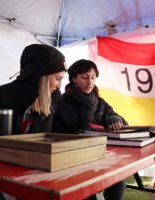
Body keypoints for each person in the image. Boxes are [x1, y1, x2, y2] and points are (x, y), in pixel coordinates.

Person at [0, 44, 66, 200]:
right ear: (41, 75)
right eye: (58, 79)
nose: (59, 85)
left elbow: (45, 141)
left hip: (34, 174)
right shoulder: (0, 97)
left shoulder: (52, 99)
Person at [52, 59, 127, 200]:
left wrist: (115, 119)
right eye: (85, 77)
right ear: (74, 78)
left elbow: (121, 120)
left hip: (100, 155)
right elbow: (56, 134)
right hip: (72, 159)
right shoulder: (62, 103)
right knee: (90, 194)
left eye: (93, 77)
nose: (90, 82)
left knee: (118, 181)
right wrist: (80, 134)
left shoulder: (99, 102)